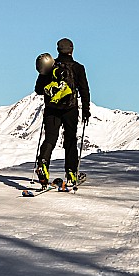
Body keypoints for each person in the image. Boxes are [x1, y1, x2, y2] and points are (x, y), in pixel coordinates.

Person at [34, 38, 90, 190]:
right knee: (70, 140)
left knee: (50, 138)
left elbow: (38, 89)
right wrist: (86, 110)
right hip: (70, 110)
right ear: (72, 50)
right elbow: (84, 90)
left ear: (58, 50)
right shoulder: (78, 68)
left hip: (51, 109)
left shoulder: (50, 66)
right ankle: (72, 173)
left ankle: (43, 165)